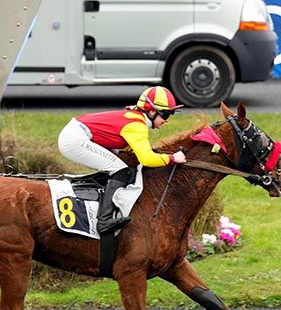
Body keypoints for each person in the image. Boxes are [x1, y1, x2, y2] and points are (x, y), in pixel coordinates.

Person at [58, 86, 187, 234]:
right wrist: (172, 158)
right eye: (166, 114)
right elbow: (147, 159)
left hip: (77, 134)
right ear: (152, 111)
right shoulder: (137, 125)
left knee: (121, 167)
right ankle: (104, 221)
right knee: (121, 171)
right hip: (74, 139)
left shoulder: (136, 118)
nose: (167, 121)